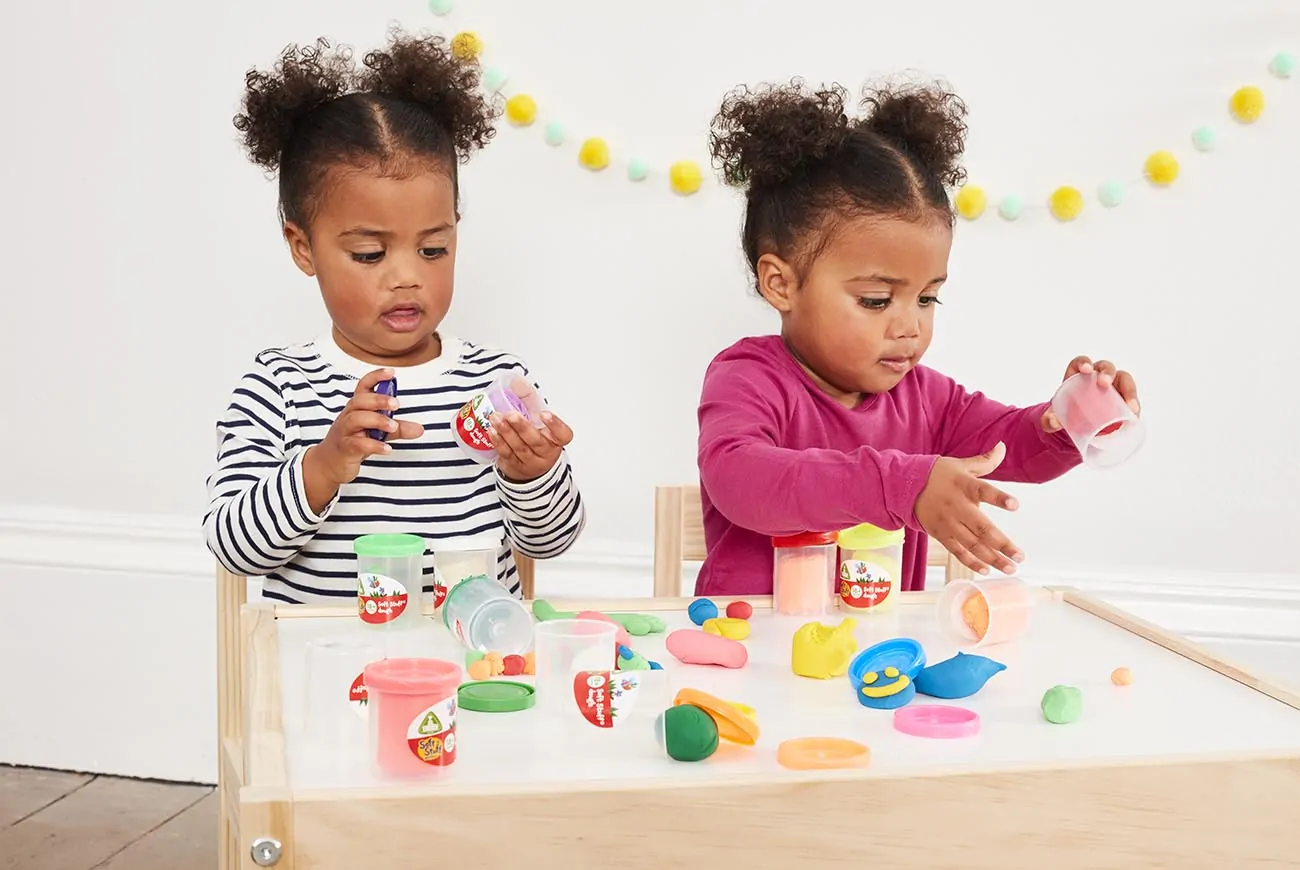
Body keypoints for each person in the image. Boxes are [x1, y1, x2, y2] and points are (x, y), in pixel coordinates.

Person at [695, 78, 1141, 596]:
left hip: (884, 654)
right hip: (755, 654)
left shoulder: (928, 400)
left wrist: (1067, 420)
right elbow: (741, 480)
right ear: (782, 283)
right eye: (876, 301)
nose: (909, 325)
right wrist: (900, 484)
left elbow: (1010, 448)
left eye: (927, 299)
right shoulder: (748, 378)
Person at [204, 30, 585, 604]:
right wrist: (323, 466)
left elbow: (551, 542)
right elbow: (233, 546)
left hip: (475, 679)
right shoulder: (280, 386)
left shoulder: (495, 382)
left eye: (433, 249)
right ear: (302, 246)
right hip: (328, 682)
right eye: (369, 254)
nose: (406, 276)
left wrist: (532, 475)